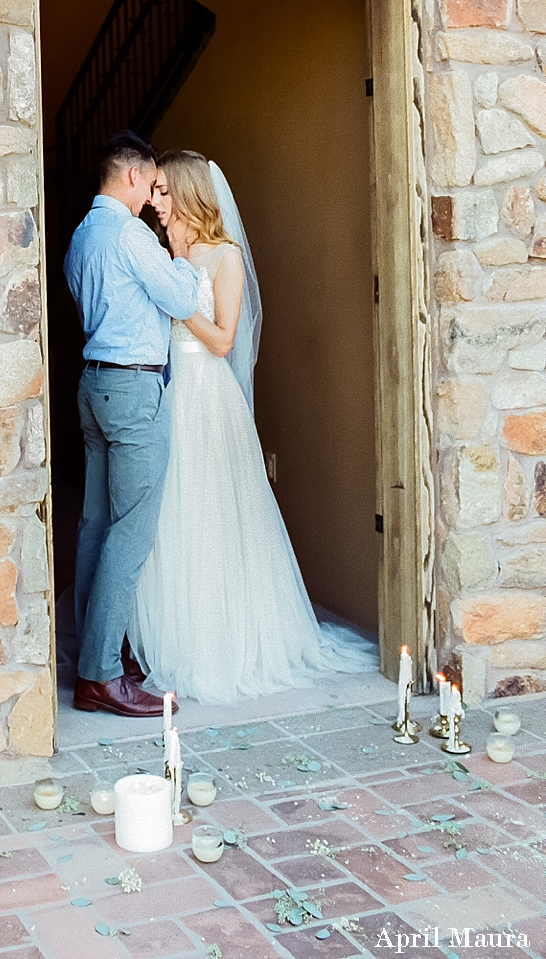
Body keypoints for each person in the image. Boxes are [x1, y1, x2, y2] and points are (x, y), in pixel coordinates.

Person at [129, 151, 377, 705]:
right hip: (168, 395)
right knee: (169, 516)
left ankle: (221, 646)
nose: (155, 201)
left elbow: (222, 340)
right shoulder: (161, 250)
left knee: (212, 515)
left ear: (191, 193)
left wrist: (173, 296)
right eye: (154, 191)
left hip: (209, 399)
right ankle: (171, 639)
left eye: (165, 191)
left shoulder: (224, 256)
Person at [64, 131, 200, 717]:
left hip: (92, 385)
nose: (152, 196)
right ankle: (101, 674)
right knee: (131, 529)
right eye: (149, 183)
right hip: (132, 386)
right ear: (129, 176)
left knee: (95, 524)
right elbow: (181, 300)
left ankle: (97, 649)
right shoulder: (129, 234)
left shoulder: (79, 237)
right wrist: (190, 264)